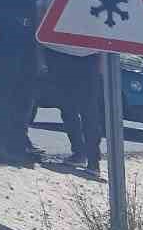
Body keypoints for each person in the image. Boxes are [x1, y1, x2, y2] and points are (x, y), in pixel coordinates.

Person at [0, 0, 44, 165]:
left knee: (24, 99)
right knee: (3, 98)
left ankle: (17, 144)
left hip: (29, 49)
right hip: (5, 46)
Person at [43, 43, 102, 174]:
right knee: (68, 107)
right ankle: (79, 154)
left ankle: (93, 160)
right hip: (59, 51)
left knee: (88, 110)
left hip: (88, 54)